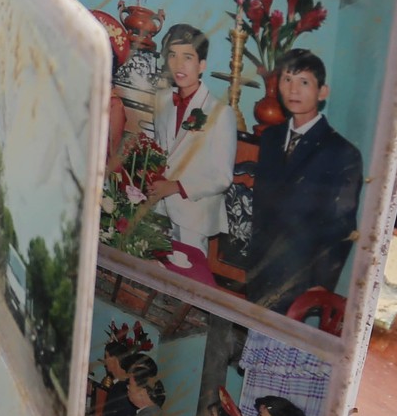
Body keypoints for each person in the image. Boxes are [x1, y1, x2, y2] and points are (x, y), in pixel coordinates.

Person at [240, 47, 364, 315]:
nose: (293, 90)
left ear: (322, 92)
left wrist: (321, 284)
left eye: (304, 82)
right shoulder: (272, 138)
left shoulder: (341, 152)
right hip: (260, 272)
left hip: (301, 279)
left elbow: (341, 225)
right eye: (287, 80)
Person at [143, 23, 241, 258]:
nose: (179, 65)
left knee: (185, 278)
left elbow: (222, 177)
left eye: (188, 57)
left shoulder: (220, 113)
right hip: (159, 208)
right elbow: (161, 150)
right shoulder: (163, 100)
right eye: (173, 56)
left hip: (194, 217)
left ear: (201, 65)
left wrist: (175, 186)